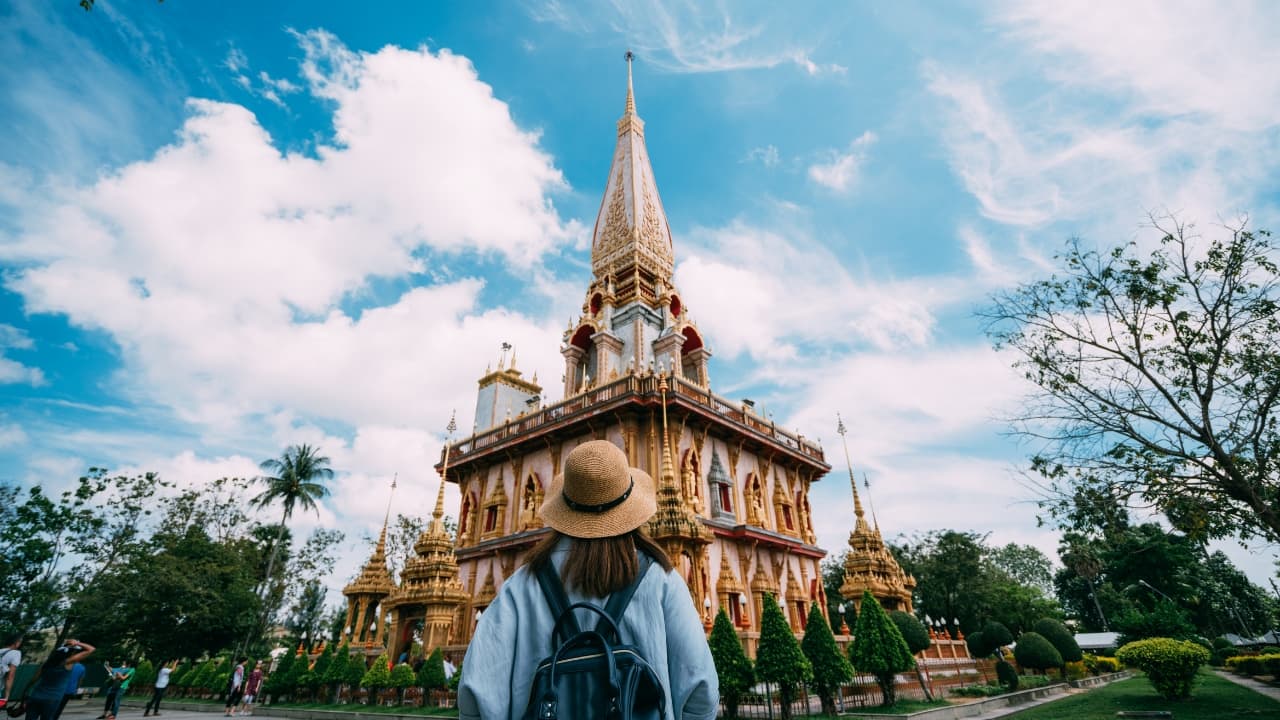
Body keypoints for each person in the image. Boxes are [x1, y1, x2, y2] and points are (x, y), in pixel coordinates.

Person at [457, 440, 718, 720]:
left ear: (565, 507)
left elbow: (477, 695)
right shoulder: (662, 581)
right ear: (630, 505)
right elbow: (700, 690)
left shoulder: (521, 586)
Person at [24, 641, 95, 720]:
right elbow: (91, 649)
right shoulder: (67, 663)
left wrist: (25, 693)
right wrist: (77, 643)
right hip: (52, 699)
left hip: (35, 696)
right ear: (72, 653)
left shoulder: (47, 663)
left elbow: (33, 680)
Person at [0, 634, 21, 709]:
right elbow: (10, 676)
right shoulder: (16, 653)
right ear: (16, 643)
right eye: (19, 642)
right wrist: (6, 698)